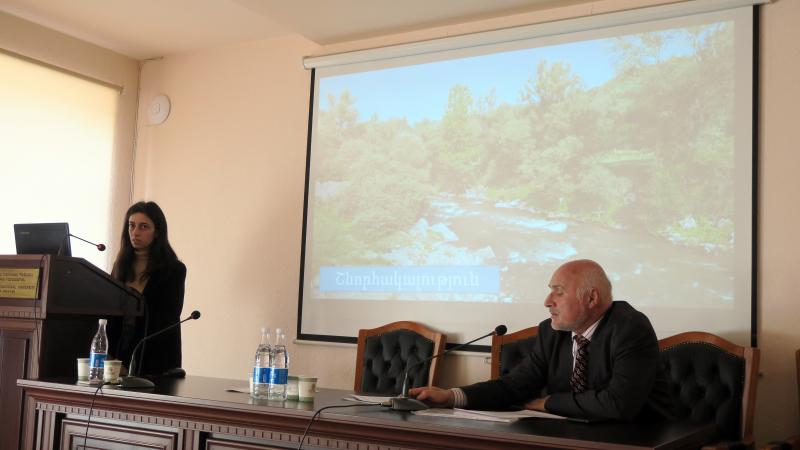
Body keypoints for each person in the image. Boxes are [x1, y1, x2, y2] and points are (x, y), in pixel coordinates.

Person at [409, 259, 674, 421]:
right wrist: (452, 396)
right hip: (575, 435)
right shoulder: (551, 331)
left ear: (592, 298)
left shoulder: (630, 327)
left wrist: (548, 402)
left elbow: (617, 404)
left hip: (641, 439)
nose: (547, 302)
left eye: (558, 292)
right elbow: (515, 386)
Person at [110, 201, 186, 376]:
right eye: (131, 225)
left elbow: (165, 320)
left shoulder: (173, 270)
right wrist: (110, 355)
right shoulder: (120, 266)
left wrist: (131, 365)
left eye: (143, 227)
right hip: (117, 358)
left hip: (155, 360)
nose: (135, 232)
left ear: (157, 232)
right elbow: (111, 313)